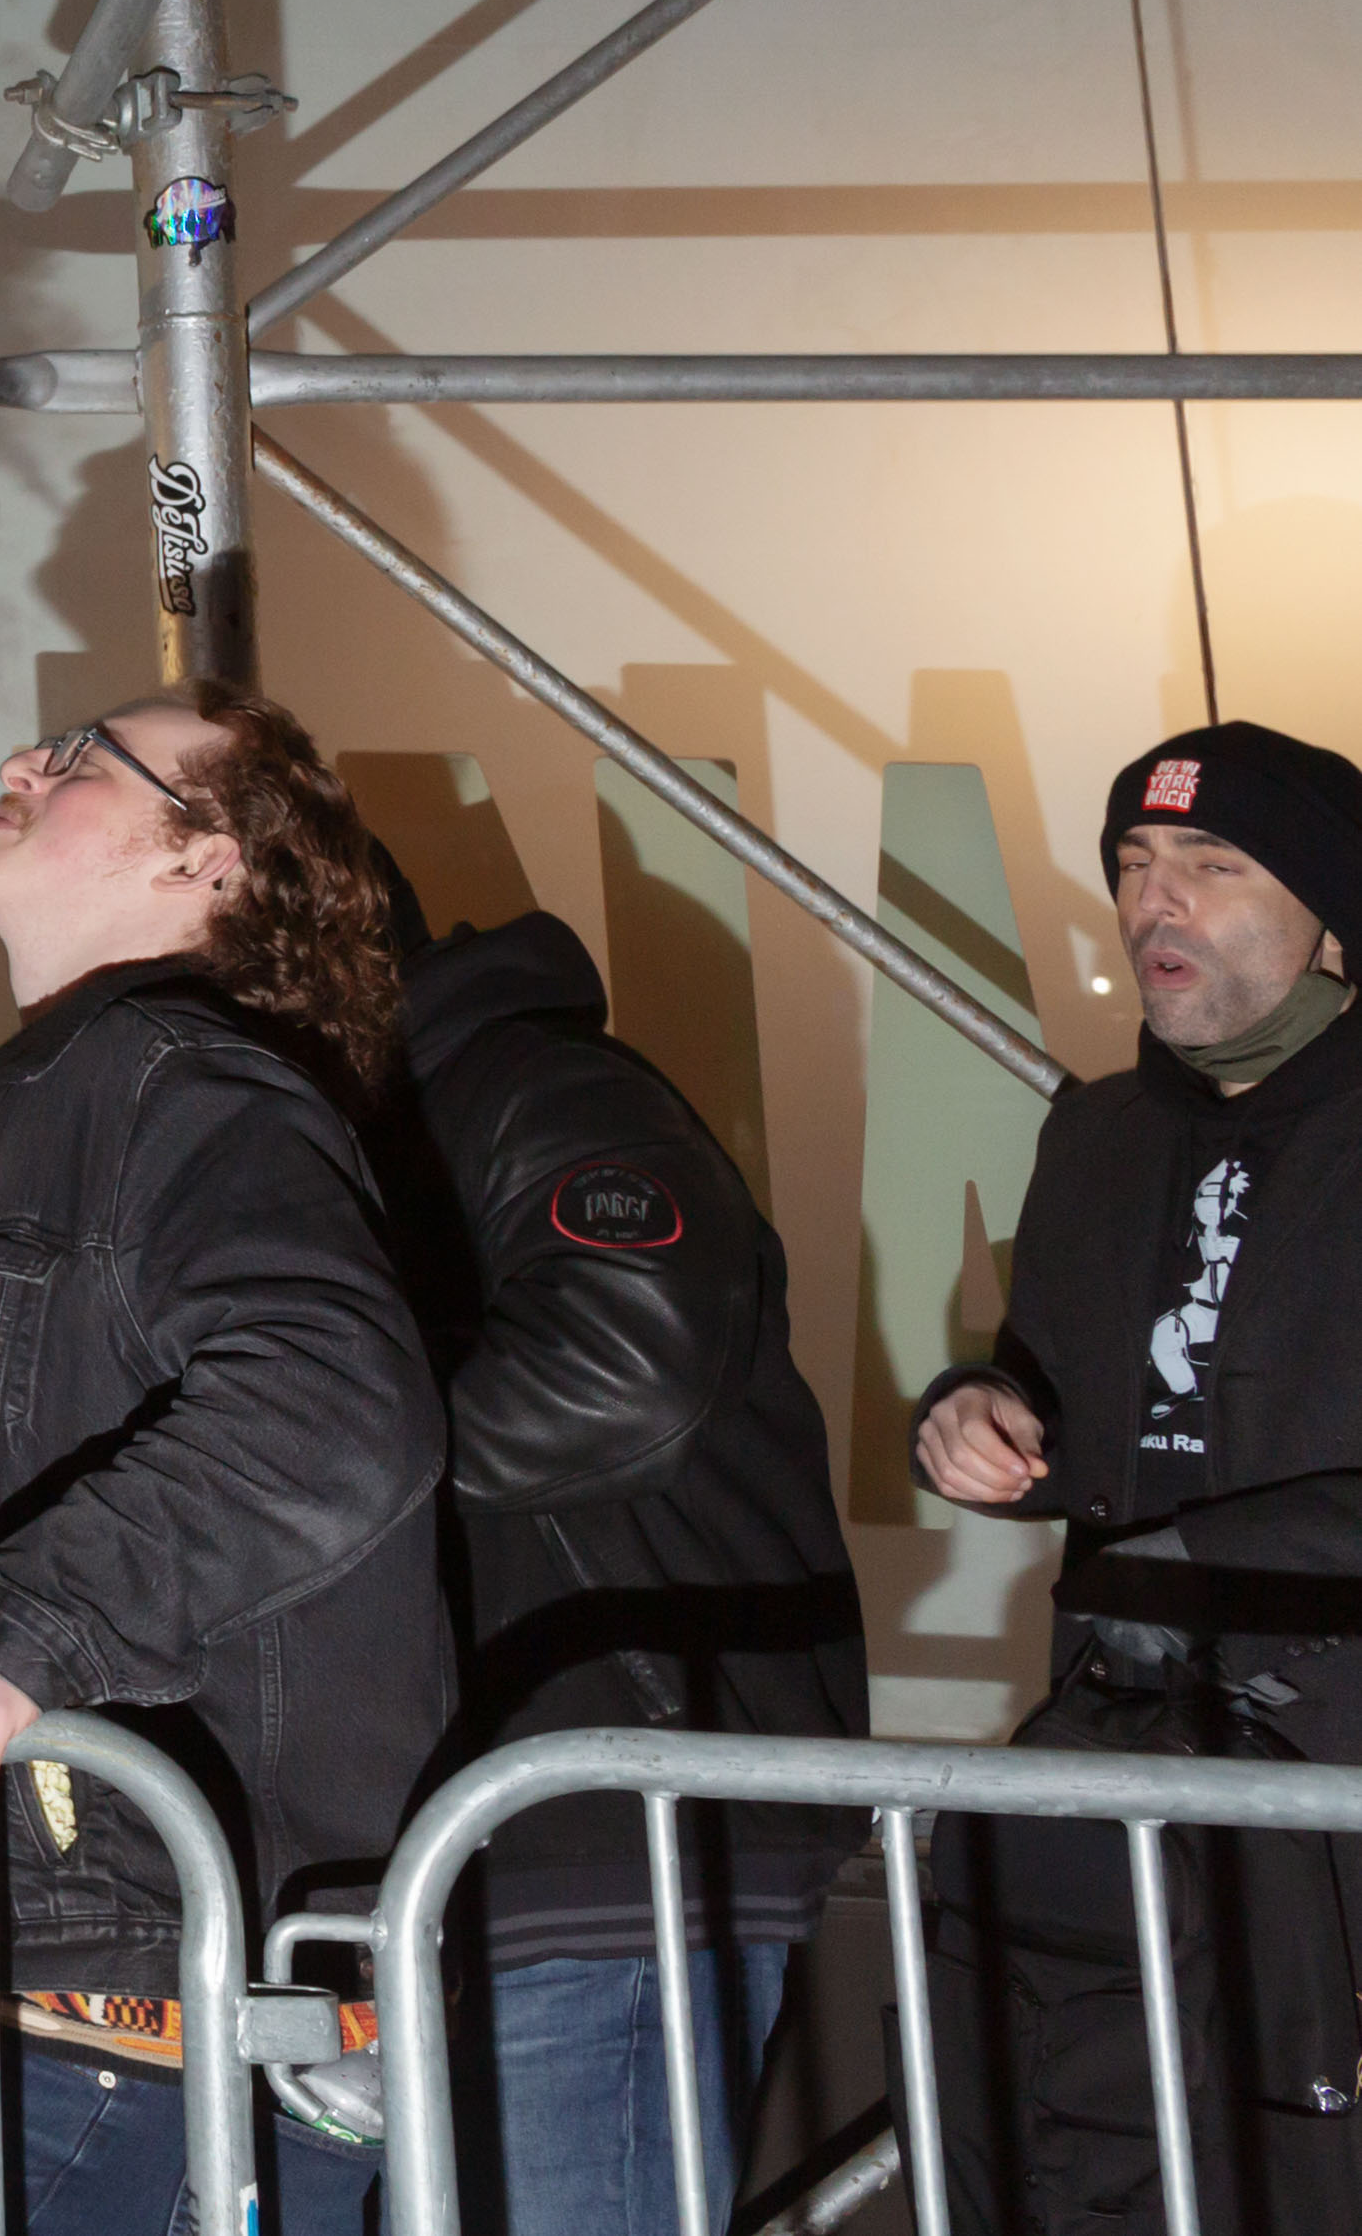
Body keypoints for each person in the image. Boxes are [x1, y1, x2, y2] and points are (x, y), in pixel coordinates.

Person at [0, 685, 446, 2236]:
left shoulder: (175, 1077)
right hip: (80, 1997)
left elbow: (336, 1397)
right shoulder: (68, 1086)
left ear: (204, 861)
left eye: (81, 758)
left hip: (132, 2022)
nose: (19, 761)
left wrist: (13, 1641)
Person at [914, 721, 1362, 2231]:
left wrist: (1204, 1562)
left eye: (1210, 864)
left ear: (1326, 911)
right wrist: (976, 1409)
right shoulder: (1094, 1133)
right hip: (1140, 1760)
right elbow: (1063, 1401)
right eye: (1130, 863)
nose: (1154, 900)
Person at [381, 883, 862, 2236]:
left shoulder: (525, 1084)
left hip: (609, 1805)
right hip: (497, 1806)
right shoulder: (350, 1136)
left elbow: (622, 1367)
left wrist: (294, 1460)